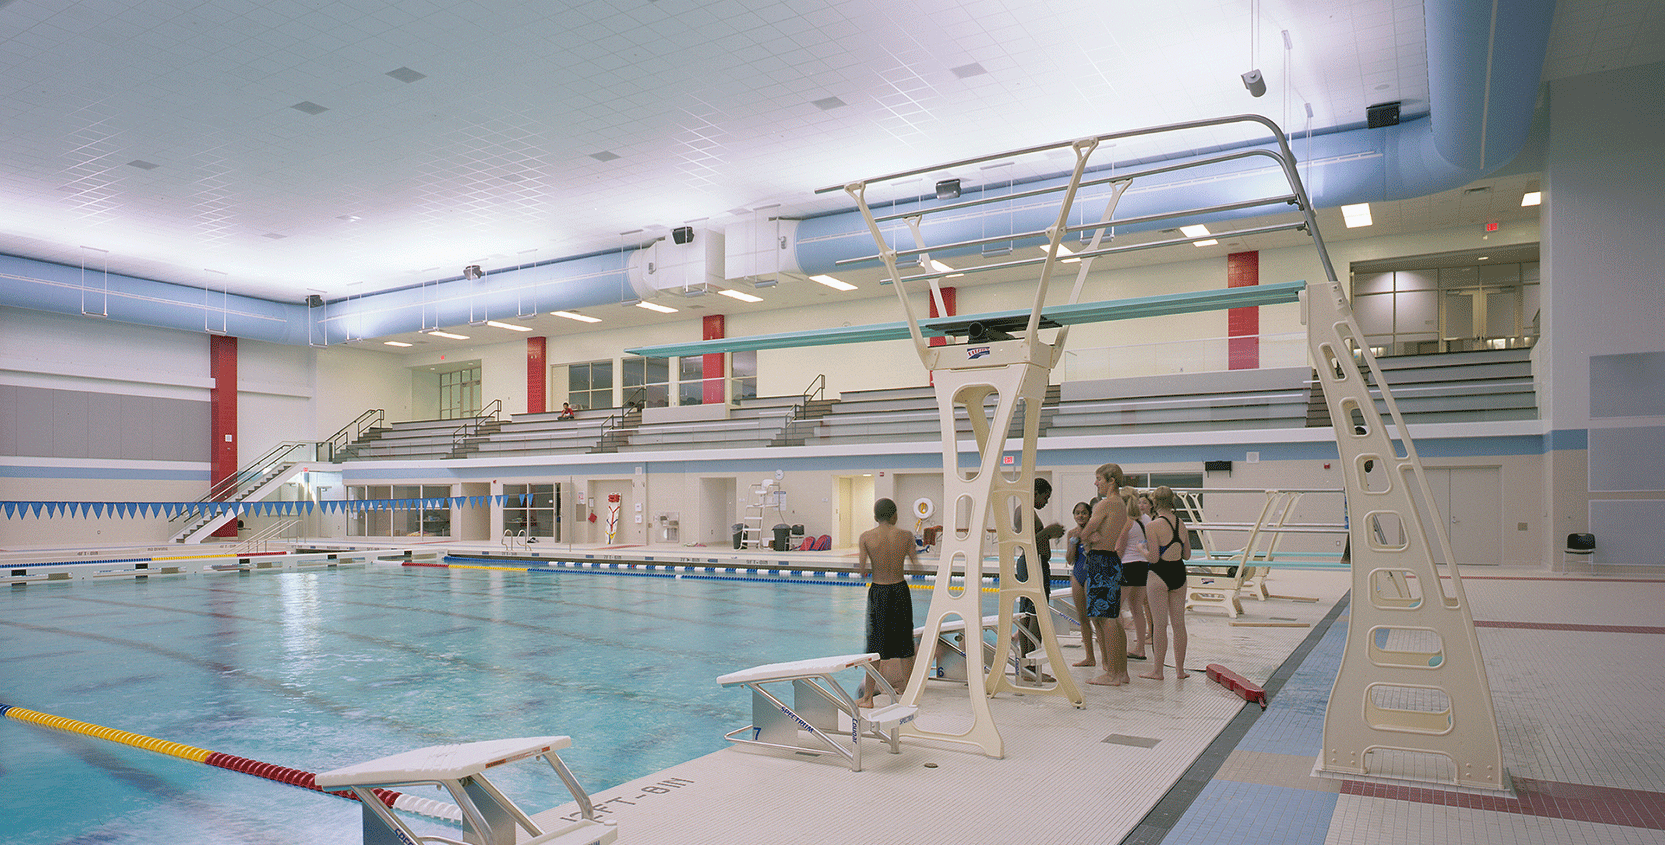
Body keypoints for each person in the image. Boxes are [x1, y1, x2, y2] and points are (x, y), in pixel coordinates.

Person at [856, 497, 919, 708]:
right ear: (895, 515)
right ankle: (909, 694)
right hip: (900, 591)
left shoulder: (866, 537)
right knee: (905, 644)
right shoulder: (906, 536)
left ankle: (868, 698)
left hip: (879, 592)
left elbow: (863, 570)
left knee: (874, 646)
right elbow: (916, 565)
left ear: (875, 516)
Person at [1081, 463, 1130, 686]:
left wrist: (1086, 536)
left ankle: (1112, 674)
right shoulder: (1121, 504)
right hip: (1111, 560)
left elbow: (1086, 531)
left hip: (1101, 561)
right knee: (1114, 619)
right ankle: (1122, 672)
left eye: (1099, 478)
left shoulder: (1105, 504)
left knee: (1105, 619)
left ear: (1111, 481)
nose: (1096, 483)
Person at [1014, 478, 1066, 676]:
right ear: (1035, 492)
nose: (1045, 502)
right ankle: (1032, 668)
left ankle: (1028, 668)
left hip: (1030, 563)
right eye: (1045, 497)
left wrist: (1047, 534)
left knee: (1028, 614)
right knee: (1036, 614)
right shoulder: (1025, 510)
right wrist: (1049, 532)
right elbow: (1026, 542)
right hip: (1033, 563)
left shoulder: (1024, 510)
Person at [1141, 486, 1193, 681]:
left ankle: (1158, 671)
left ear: (1154, 502)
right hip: (1179, 573)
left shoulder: (1152, 526)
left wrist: (1141, 550)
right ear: (1172, 501)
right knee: (1179, 624)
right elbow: (1187, 554)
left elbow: (1153, 558)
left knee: (1159, 625)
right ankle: (1180, 671)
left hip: (1159, 574)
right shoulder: (1181, 523)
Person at [1118, 490, 1150, 662]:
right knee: (1137, 608)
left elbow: (1120, 549)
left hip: (1127, 566)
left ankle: (1118, 645)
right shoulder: (1144, 521)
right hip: (1142, 566)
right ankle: (1140, 649)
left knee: (1116, 609)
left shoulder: (1126, 523)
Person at [1063, 500, 1095, 665]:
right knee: (1083, 618)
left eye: (1084, 512)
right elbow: (1069, 560)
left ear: (1090, 515)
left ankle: (1105, 657)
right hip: (1077, 574)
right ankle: (1089, 657)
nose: (1081, 515)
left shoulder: (1094, 532)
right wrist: (1072, 544)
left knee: (1096, 618)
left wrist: (1087, 543)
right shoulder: (1072, 533)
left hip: (1092, 574)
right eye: (1078, 513)